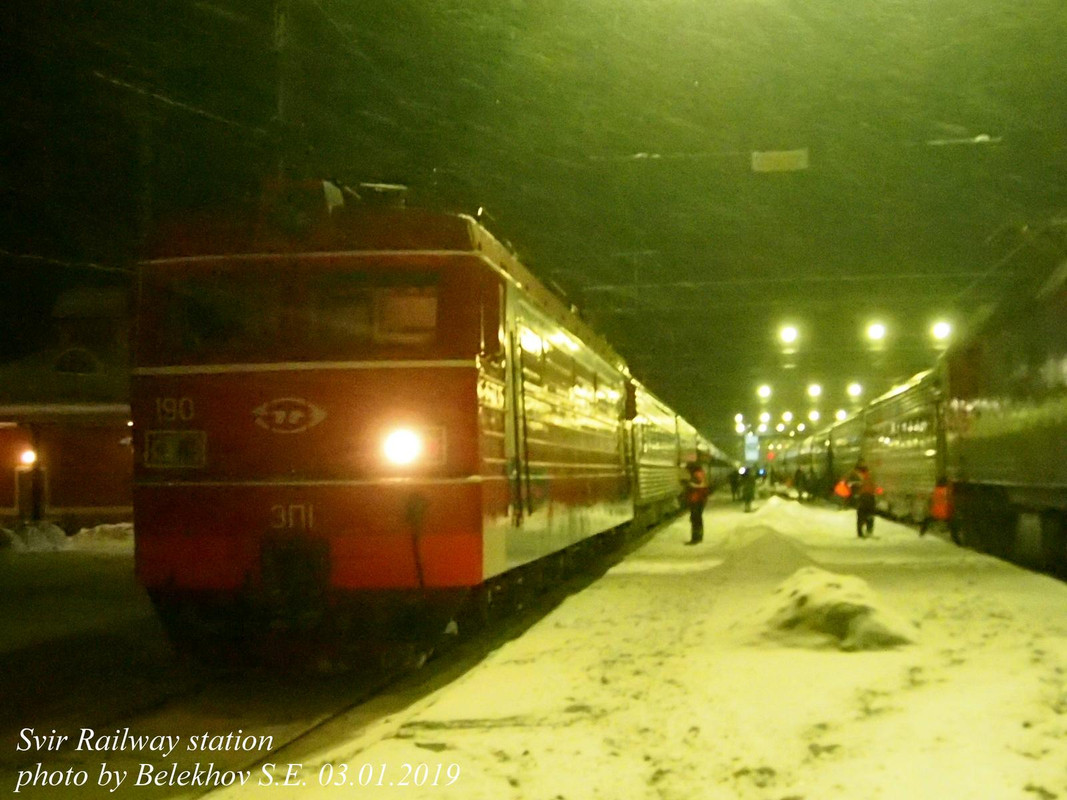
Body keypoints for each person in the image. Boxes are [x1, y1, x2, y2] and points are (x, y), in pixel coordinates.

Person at [920, 476, 960, 544]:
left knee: (927, 520)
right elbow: (951, 501)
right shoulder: (947, 490)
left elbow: (931, 501)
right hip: (945, 513)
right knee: (953, 525)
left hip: (935, 512)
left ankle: (922, 532)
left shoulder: (936, 490)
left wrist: (930, 510)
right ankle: (956, 541)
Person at [846, 459, 877, 538]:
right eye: (862, 463)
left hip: (870, 495)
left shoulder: (869, 472)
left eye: (864, 463)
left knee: (870, 514)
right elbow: (849, 484)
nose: (863, 464)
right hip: (861, 496)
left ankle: (869, 531)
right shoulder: (854, 473)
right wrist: (855, 491)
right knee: (862, 515)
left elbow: (873, 483)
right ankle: (860, 532)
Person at [682, 461, 710, 544]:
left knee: (695, 519)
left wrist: (689, 484)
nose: (687, 471)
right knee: (697, 519)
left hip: (697, 499)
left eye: (688, 469)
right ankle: (699, 537)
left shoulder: (698, 474)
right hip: (698, 499)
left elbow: (702, 485)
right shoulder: (700, 473)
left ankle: (695, 539)